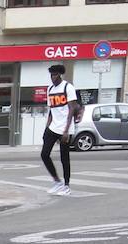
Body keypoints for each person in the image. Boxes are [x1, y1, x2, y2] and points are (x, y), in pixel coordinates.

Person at [40, 63, 81, 197]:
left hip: (65, 127)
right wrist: (47, 127)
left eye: (55, 74)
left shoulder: (68, 87)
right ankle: (57, 182)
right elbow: (51, 110)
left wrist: (66, 131)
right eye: (51, 75)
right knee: (44, 154)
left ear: (60, 75)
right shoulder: (50, 89)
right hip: (53, 126)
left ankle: (66, 186)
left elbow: (72, 109)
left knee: (65, 158)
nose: (53, 77)